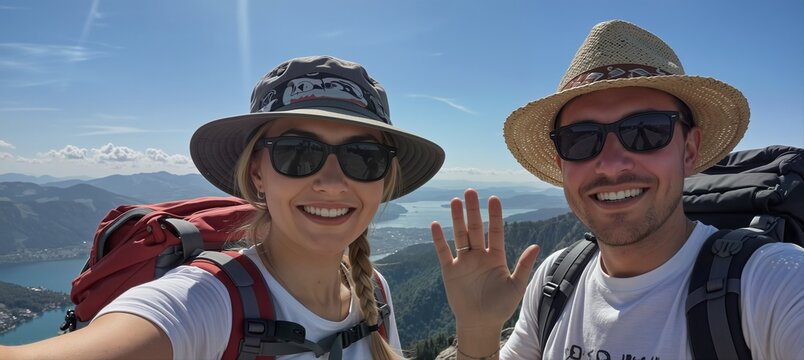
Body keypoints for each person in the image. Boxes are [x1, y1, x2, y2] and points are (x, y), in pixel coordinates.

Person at [0, 55, 444, 359]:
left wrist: (480, 330)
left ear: (384, 178)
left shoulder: (376, 293)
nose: (330, 182)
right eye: (296, 153)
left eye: (363, 158)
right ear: (257, 174)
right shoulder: (204, 303)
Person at [432, 20, 804, 359]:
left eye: (646, 130)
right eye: (580, 140)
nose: (611, 163)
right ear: (562, 165)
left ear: (689, 151)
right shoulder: (554, 282)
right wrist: (478, 329)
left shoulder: (773, 285)